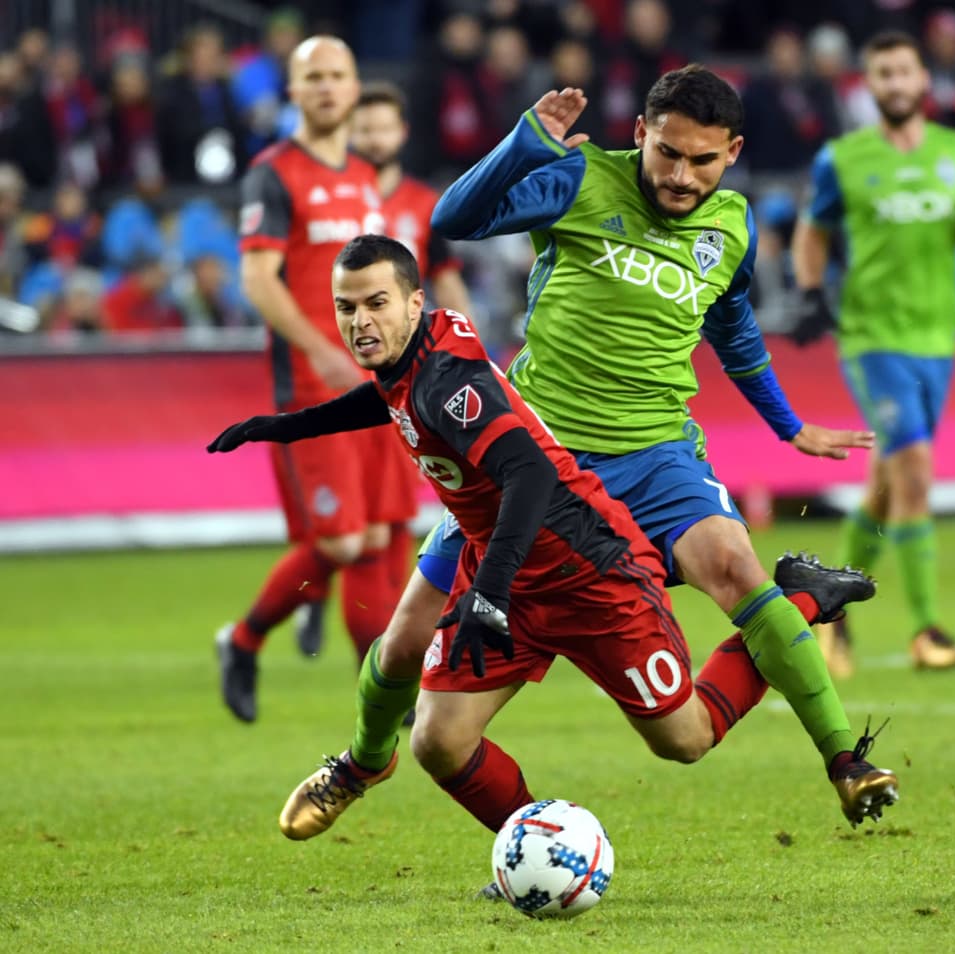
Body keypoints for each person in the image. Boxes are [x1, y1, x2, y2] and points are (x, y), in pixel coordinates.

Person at [276, 67, 901, 841]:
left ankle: (846, 761)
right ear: (639, 133)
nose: (680, 176)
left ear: (732, 153)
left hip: (658, 454)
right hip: (531, 455)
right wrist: (523, 143)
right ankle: (364, 763)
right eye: (667, 153)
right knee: (404, 639)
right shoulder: (579, 180)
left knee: (736, 570)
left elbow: (732, 327)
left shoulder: (731, 227)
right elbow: (455, 218)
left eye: (702, 161)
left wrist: (785, 424)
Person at [214, 36, 420, 721]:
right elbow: (256, 280)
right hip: (313, 386)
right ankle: (244, 639)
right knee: (340, 541)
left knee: (388, 531)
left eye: (339, 75)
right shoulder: (272, 174)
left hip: (381, 384)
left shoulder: (365, 175)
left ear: (355, 87)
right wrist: (321, 349)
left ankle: (389, 706)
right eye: (314, 77)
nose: (328, 87)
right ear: (294, 93)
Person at [790, 31, 955, 676]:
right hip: (873, 335)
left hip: (939, 335)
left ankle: (828, 618)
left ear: (923, 78)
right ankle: (926, 630)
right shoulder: (843, 159)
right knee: (915, 473)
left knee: (885, 487)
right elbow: (812, 233)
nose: (896, 84)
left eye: (904, 72)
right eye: (883, 75)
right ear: (869, 86)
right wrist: (812, 293)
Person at [289, 79, 477, 656]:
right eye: (362, 127)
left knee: (387, 526)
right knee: (354, 533)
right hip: (349, 379)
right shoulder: (329, 200)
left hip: (413, 381)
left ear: (401, 133)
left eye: (381, 126)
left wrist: (472, 358)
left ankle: (382, 655)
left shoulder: (423, 205)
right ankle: (309, 609)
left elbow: (444, 278)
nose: (372, 137)